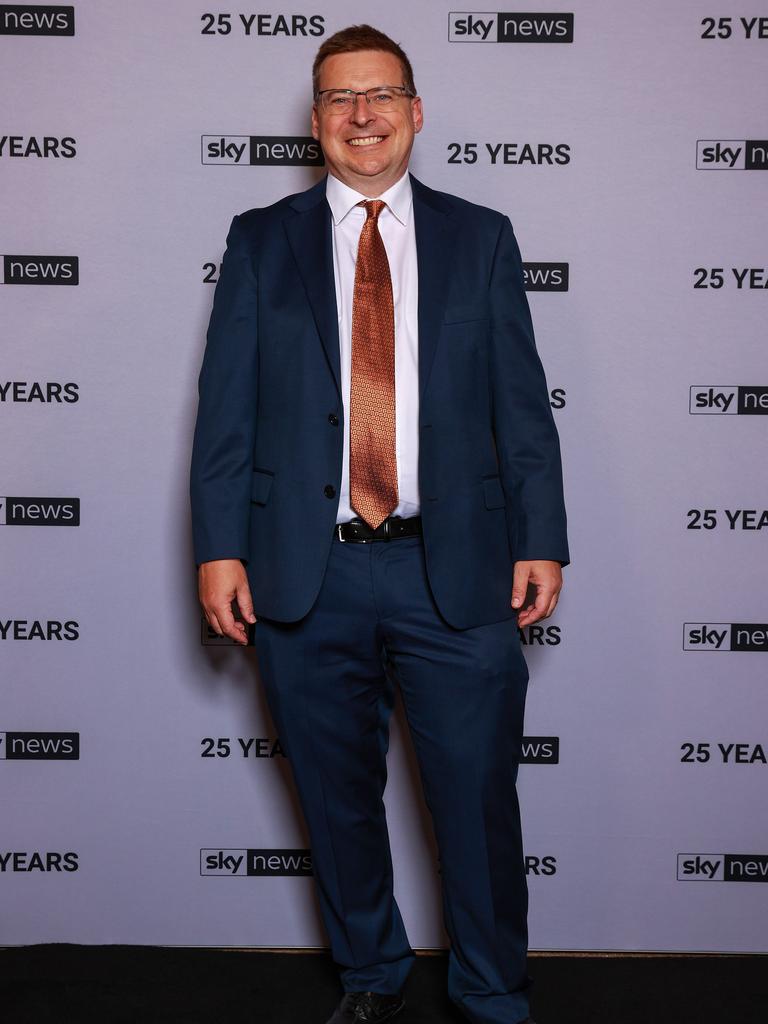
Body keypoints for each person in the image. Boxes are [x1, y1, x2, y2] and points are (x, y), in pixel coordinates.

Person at [190, 23, 568, 1024]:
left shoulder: (480, 236)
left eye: (381, 94)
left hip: (458, 568)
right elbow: (226, 405)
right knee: (336, 796)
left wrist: (542, 535)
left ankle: (493, 990)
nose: (362, 115)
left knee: (478, 802)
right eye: (340, 98)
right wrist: (219, 547)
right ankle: (371, 973)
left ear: (415, 110)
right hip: (304, 568)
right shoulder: (258, 239)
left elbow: (521, 405)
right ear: (316, 120)